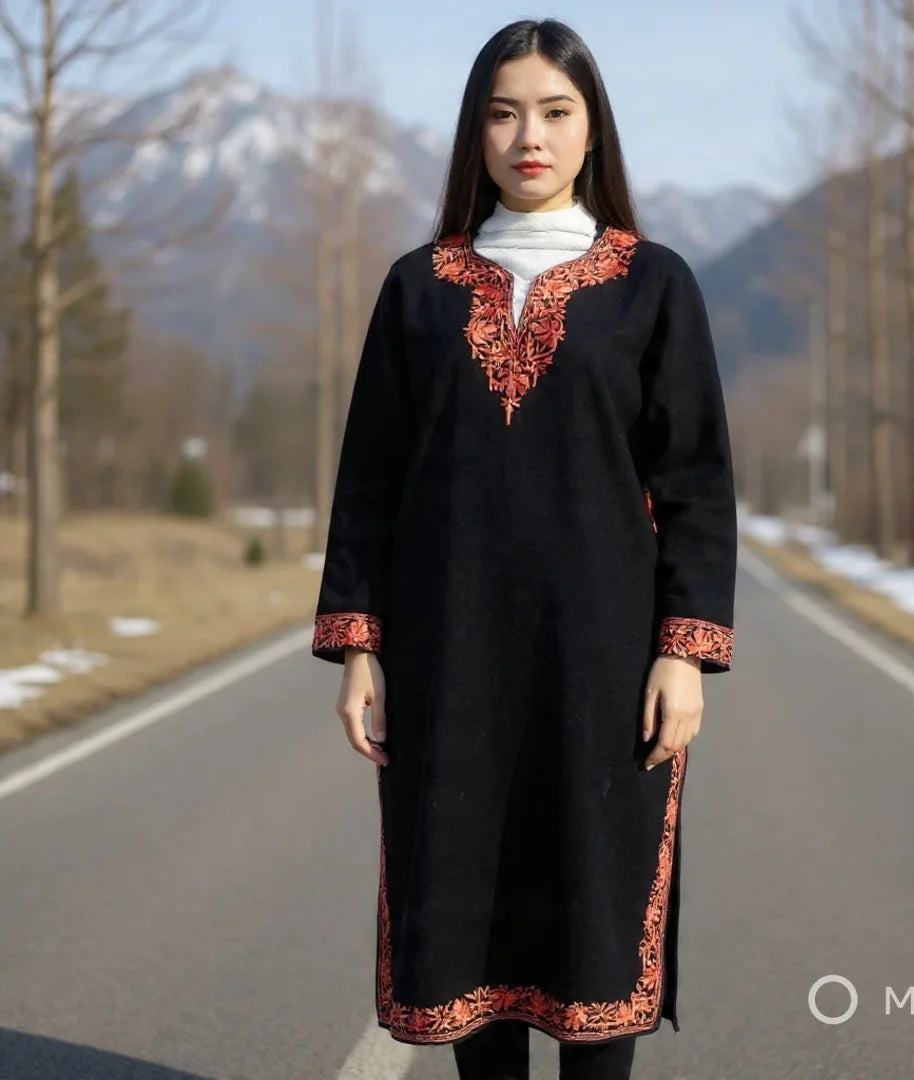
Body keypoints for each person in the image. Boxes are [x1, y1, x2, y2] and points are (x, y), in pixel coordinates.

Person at [311, 17, 737, 1080]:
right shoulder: (419, 287)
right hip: (447, 664)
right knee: (466, 940)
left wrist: (683, 652)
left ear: (594, 130)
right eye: (502, 113)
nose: (528, 136)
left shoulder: (653, 284)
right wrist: (362, 645)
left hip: (602, 669)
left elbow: (695, 486)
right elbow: (368, 483)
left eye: (555, 111)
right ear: (474, 132)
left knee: (594, 942)